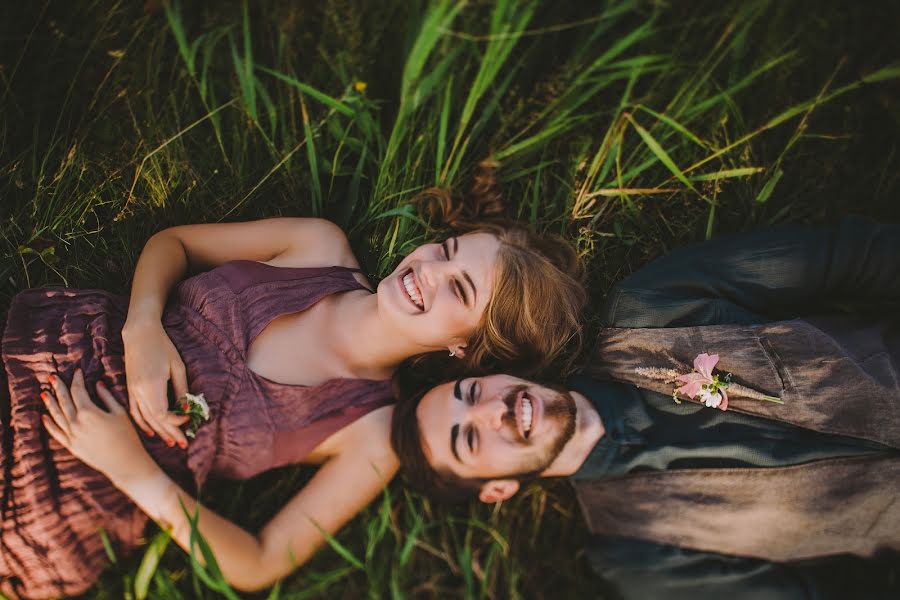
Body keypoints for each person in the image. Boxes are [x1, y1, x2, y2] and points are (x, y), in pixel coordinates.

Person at [0, 169, 587, 598]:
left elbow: (257, 563)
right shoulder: (317, 245)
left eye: (460, 290)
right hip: (53, 348)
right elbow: (174, 243)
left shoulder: (371, 433)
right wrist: (143, 325)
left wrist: (132, 471)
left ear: (465, 350)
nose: (427, 271)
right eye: (448, 250)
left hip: (78, 480)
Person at [392, 217, 900, 599]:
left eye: (471, 393)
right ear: (498, 489)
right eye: (470, 439)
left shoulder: (651, 307)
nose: (492, 412)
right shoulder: (640, 556)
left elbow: (845, 255)